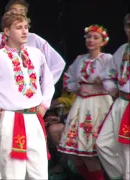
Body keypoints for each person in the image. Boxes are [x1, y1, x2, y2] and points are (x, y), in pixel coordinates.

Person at [0, 1, 65, 179]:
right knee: (9, 165)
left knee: (38, 170)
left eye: (25, 26)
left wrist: (44, 102)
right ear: (7, 30)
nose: (24, 31)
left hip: (33, 115)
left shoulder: (36, 52)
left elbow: (48, 80)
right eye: (18, 26)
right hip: (8, 114)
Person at [57, 24, 113, 180]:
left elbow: (114, 79)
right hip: (81, 105)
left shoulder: (107, 59)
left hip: (100, 104)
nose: (91, 40)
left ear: (103, 42)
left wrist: (102, 81)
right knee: (75, 153)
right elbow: (68, 77)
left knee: (91, 153)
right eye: (89, 37)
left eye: (96, 38)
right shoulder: (80, 59)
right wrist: (76, 88)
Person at [96, 13, 130, 180]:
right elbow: (107, 73)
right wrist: (113, 89)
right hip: (121, 102)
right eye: (128, 26)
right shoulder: (123, 49)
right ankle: (121, 176)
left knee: (127, 150)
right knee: (102, 143)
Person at [46, 89, 76, 174]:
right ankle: (61, 162)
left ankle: (66, 159)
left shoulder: (77, 91)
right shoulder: (65, 92)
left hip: (73, 121)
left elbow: (74, 105)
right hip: (64, 119)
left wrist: (59, 100)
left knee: (53, 129)